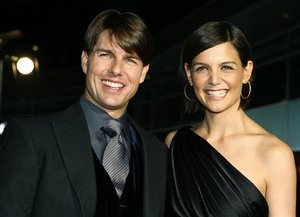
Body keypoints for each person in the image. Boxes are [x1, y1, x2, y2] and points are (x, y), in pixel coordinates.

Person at [0, 9, 167, 217]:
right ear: (85, 60)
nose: (116, 69)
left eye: (130, 60)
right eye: (106, 54)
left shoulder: (157, 153)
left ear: (143, 73)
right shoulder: (30, 138)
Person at [164, 21, 296, 217]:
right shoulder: (174, 144)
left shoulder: (274, 154)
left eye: (226, 67)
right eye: (202, 68)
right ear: (189, 74)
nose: (214, 79)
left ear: (246, 71)